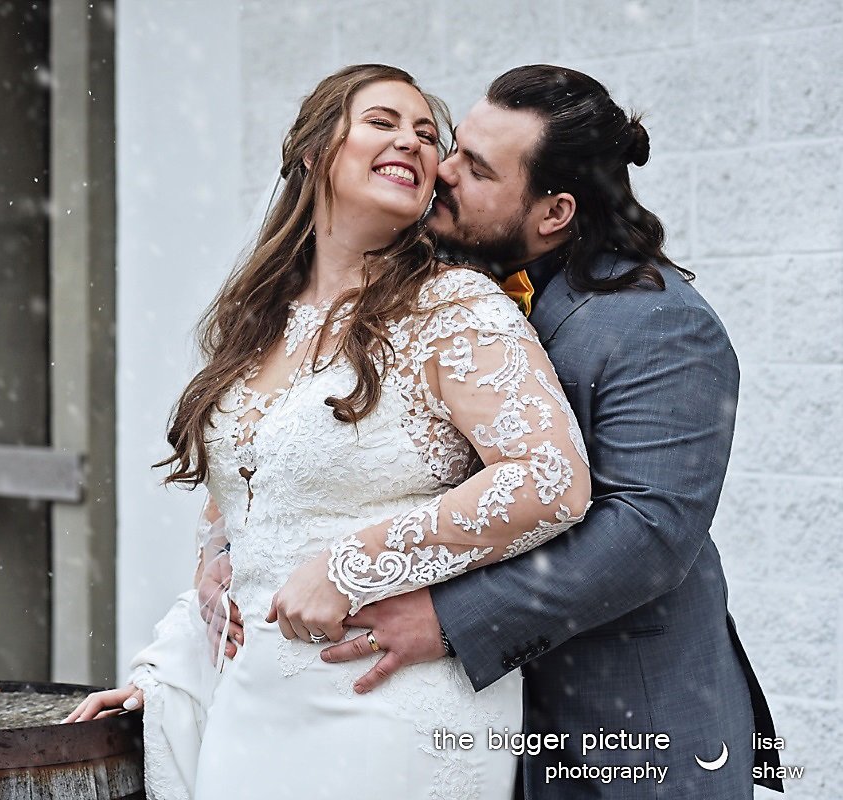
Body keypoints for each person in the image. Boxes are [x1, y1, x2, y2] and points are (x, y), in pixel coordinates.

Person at [65, 63, 591, 800]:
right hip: (253, 709)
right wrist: (183, 654)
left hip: (387, 703)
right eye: (382, 121)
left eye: (425, 134)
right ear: (314, 151)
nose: (411, 141)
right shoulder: (257, 321)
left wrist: (351, 563)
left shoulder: (454, 310)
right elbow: (247, 520)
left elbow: (551, 482)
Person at [316, 64, 784, 798]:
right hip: (468, 726)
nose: (439, 170)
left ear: (554, 213)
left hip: (629, 733)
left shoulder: (661, 323)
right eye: (456, 146)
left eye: (474, 168)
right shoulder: (433, 286)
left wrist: (446, 620)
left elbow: (648, 535)